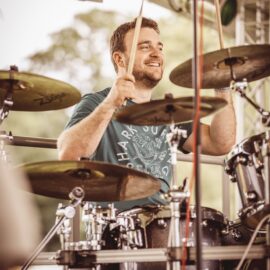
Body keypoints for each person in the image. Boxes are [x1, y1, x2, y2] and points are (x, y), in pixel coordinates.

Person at [57, 17, 236, 211]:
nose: (156, 54)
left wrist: (222, 86)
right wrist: (111, 103)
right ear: (120, 59)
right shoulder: (96, 103)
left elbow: (220, 143)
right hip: (118, 226)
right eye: (145, 47)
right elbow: (69, 154)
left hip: (163, 223)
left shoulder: (168, 112)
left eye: (160, 47)